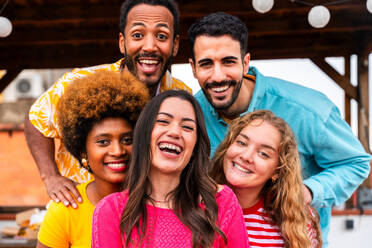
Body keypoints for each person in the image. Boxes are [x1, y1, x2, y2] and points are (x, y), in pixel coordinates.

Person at [188, 12, 371, 246]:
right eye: (206, 64)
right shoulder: (190, 116)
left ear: (245, 63)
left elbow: (356, 163)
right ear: (193, 68)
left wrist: (305, 191)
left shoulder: (308, 110)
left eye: (228, 61)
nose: (218, 76)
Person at [24, 0, 191, 208]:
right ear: (122, 43)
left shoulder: (182, 96)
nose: (150, 46)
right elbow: (36, 121)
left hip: (143, 219)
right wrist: (50, 177)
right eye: (138, 35)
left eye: (161, 36)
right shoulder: (79, 84)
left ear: (175, 45)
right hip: (80, 213)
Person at [91, 90, 250, 248]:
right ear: (145, 134)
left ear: (195, 147)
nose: (174, 132)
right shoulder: (111, 210)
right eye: (163, 121)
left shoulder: (221, 202)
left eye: (187, 127)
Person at [36, 70, 149, 248]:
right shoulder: (65, 211)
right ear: (82, 150)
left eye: (127, 140)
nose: (118, 151)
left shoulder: (157, 204)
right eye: (103, 142)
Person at [210, 110, 322, 248]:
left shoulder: (298, 222)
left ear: (277, 171)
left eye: (263, 154)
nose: (246, 156)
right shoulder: (193, 203)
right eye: (241, 143)